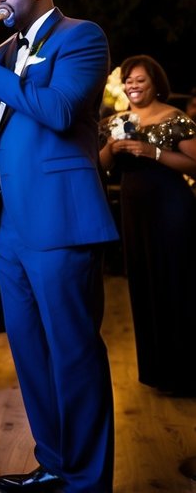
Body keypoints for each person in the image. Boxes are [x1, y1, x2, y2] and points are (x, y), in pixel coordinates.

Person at [0, 0, 117, 493]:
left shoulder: (80, 37)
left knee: (73, 353)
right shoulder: (8, 51)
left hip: (60, 221)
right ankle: (54, 463)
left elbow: (62, 111)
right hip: (7, 226)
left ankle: (87, 481)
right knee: (31, 356)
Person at [99, 55, 196, 396]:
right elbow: (101, 166)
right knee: (143, 282)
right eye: (128, 80)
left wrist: (151, 151)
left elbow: (194, 164)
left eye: (140, 80)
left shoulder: (175, 118)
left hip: (171, 208)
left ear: (155, 83)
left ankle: (185, 372)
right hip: (133, 210)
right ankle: (157, 370)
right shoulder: (116, 121)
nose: (133, 86)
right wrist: (112, 146)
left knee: (175, 281)